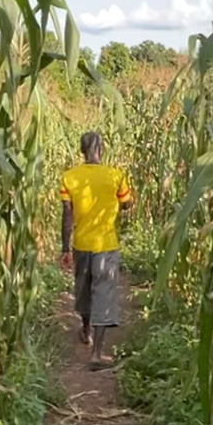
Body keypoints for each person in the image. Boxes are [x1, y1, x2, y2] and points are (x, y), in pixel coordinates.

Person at [59, 131, 132, 370]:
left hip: (81, 245)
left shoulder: (69, 177)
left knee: (84, 290)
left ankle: (86, 329)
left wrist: (64, 248)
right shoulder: (116, 176)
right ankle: (97, 354)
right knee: (103, 295)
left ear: (82, 150)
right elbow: (126, 204)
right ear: (102, 149)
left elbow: (67, 215)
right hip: (106, 246)